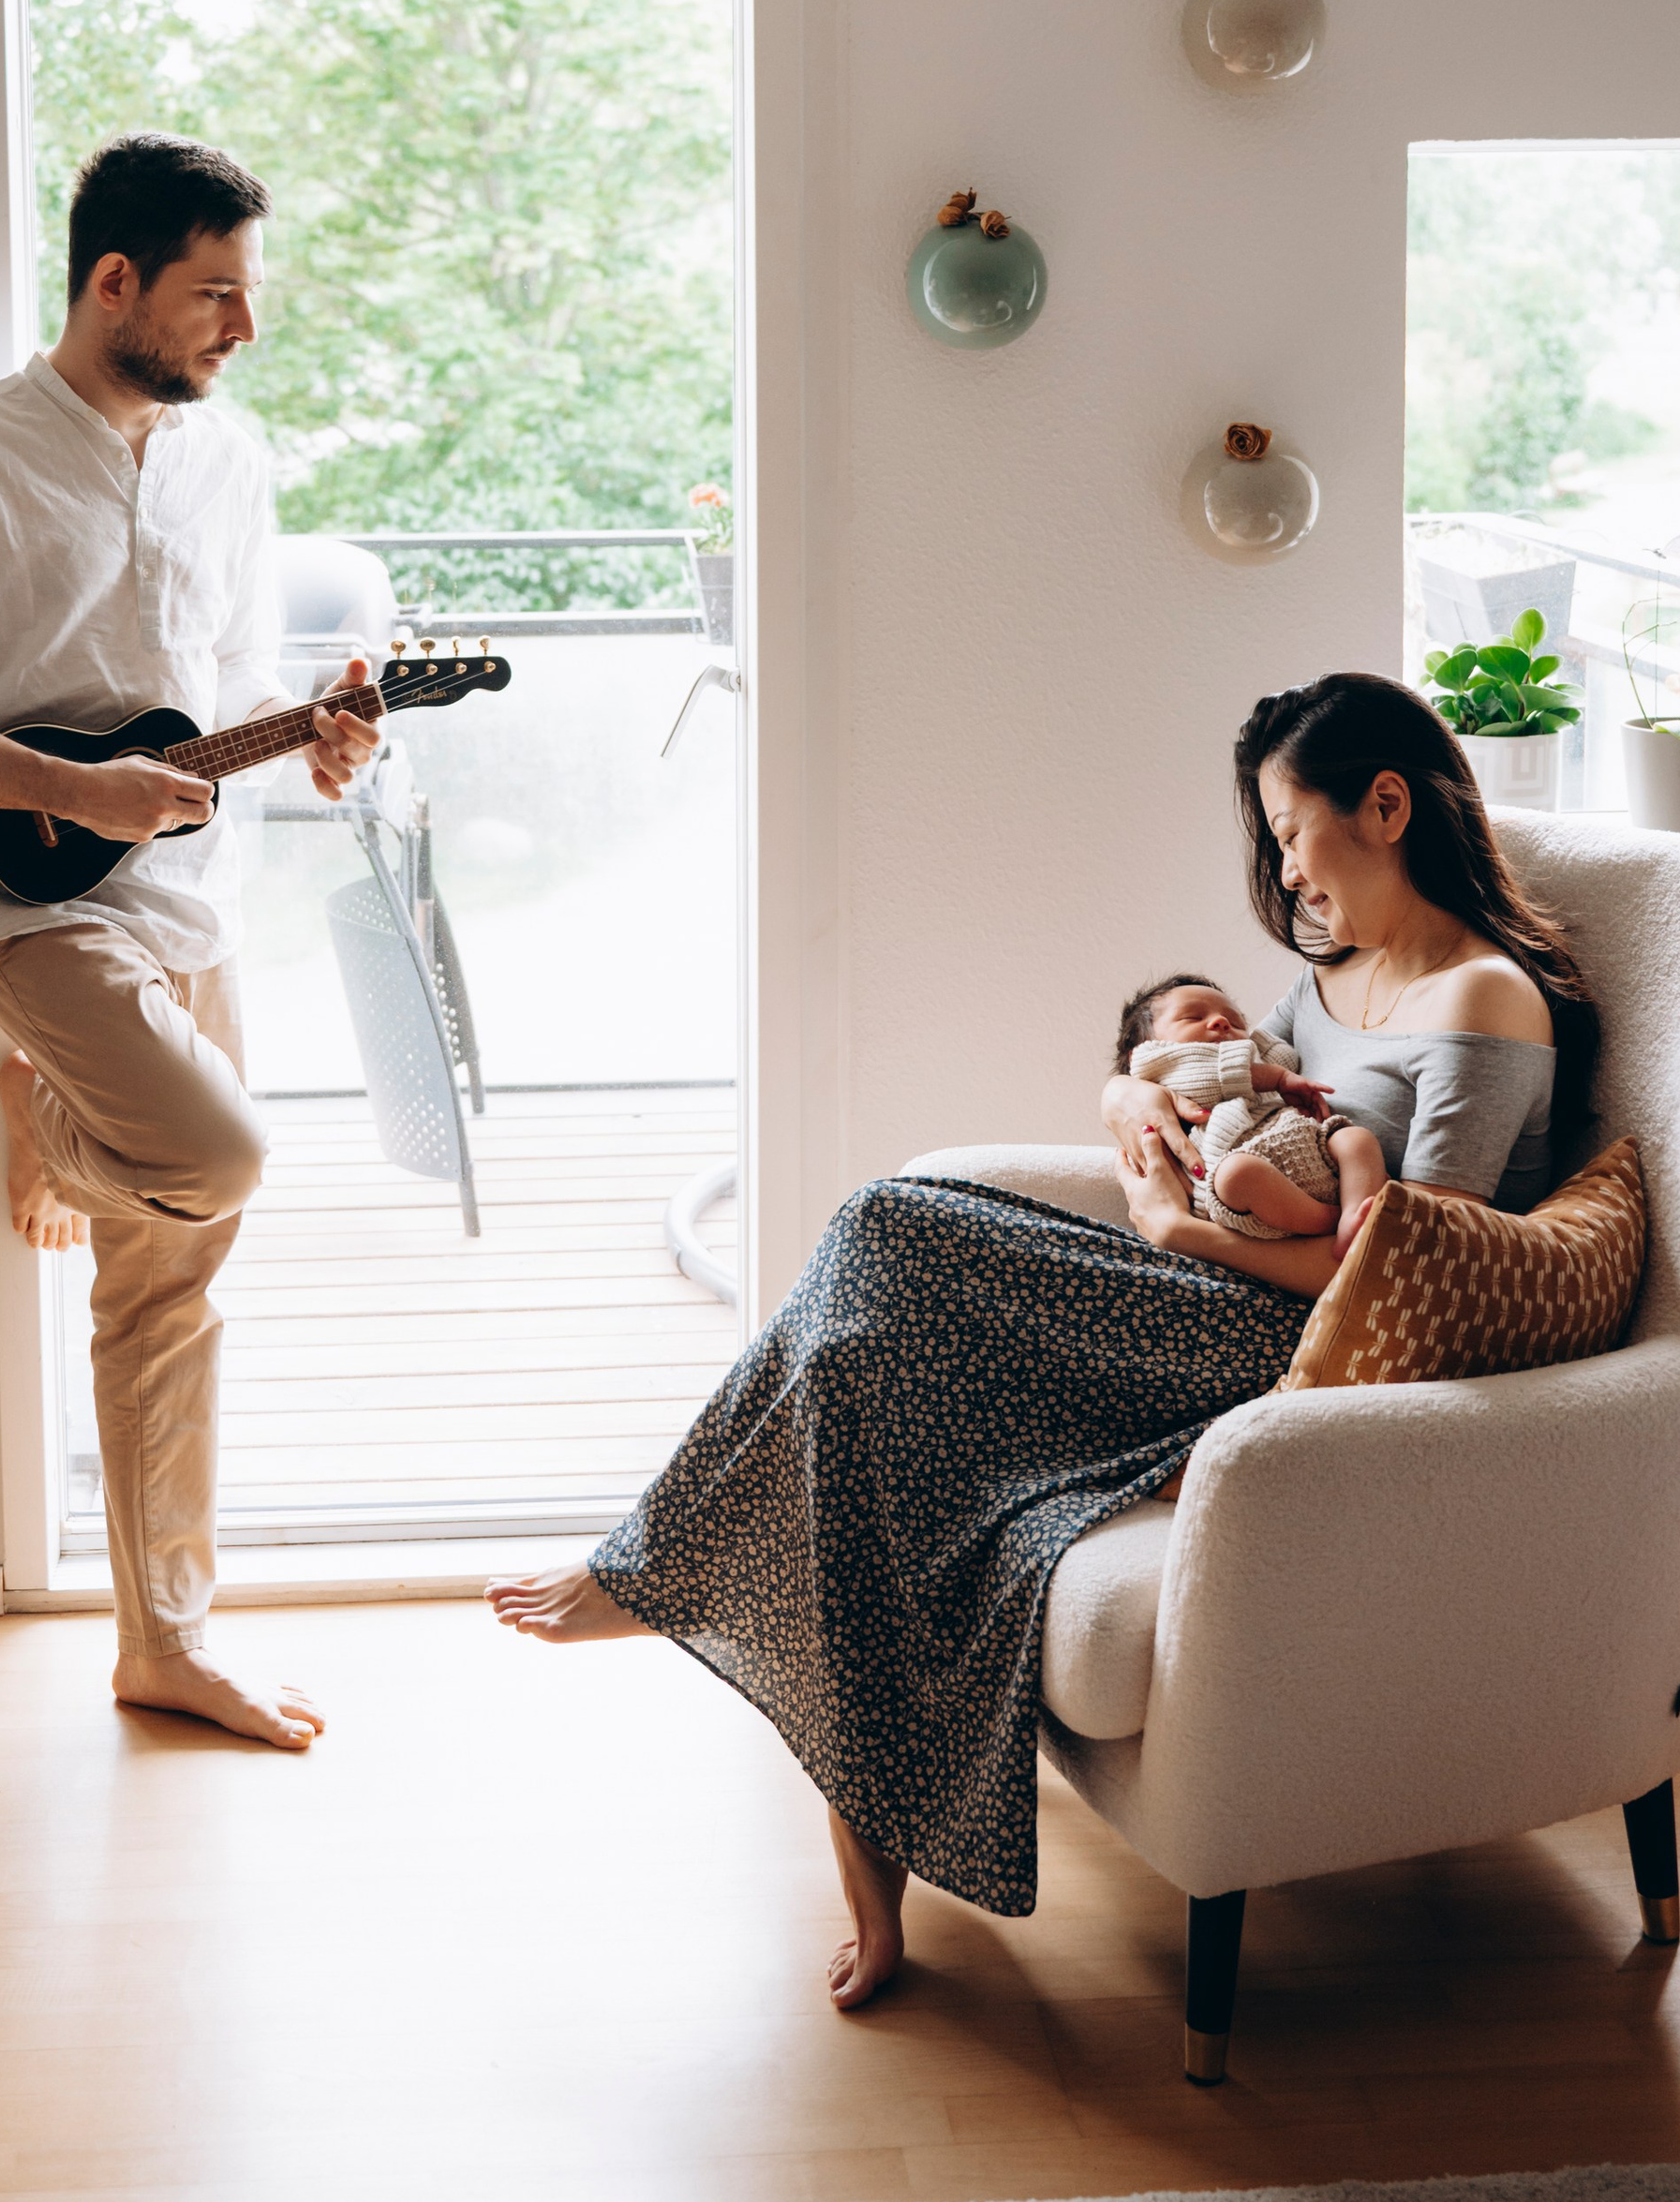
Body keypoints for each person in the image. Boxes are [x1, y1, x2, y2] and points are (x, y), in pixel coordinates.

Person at [488, 671, 1598, 2009]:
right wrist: (1128, 1101)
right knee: (862, 1341)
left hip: (1291, 1350)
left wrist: (1182, 1232)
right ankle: (837, 1793)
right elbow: (1203, 1088)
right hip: (1202, 1290)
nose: (1289, 872)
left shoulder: (1484, 1002)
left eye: (1290, 832)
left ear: (1385, 805)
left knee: (890, 1229)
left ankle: (660, 1568)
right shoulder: (1338, 978)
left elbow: (1410, 1282)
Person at [0, 133, 379, 1751]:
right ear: (114, 280)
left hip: (189, 899)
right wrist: (67, 786)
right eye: (216, 295)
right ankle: (52, 1103)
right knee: (218, 1155)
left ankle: (166, 1645)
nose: (245, 329)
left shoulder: (228, 462)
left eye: (250, 296)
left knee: (166, 1290)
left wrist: (319, 734)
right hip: (23, 899)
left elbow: (223, 681)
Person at [1119, 975, 1387, 1251]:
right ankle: (1328, 1221)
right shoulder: (1157, 1067)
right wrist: (1278, 1078)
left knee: (1356, 1139)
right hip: (1238, 1183)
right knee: (1237, 1174)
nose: (1221, 1022)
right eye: (1193, 1017)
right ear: (1144, 1048)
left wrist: (1261, 1044)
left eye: (1236, 1021)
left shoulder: (1254, 1054)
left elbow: (1284, 1056)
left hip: (1306, 1150)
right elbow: (1206, 1073)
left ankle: (1357, 1212)